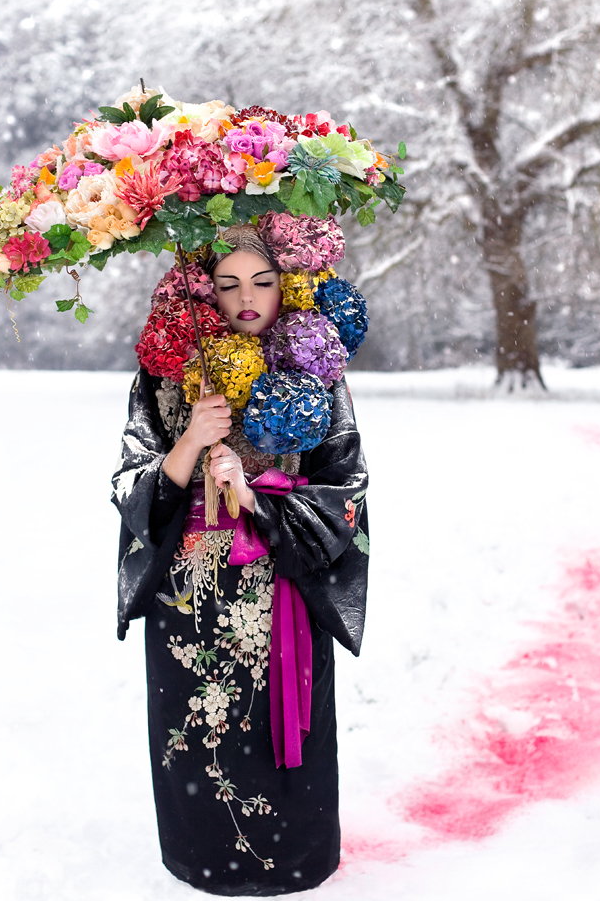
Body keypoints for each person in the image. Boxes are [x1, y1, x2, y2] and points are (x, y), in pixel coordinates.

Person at [112, 224, 369, 896]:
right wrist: (192, 439)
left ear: (287, 282)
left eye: (262, 281)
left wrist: (256, 499)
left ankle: (296, 859)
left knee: (283, 735)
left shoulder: (317, 369)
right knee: (197, 730)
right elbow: (128, 483)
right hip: (188, 591)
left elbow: (345, 487)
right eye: (228, 284)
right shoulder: (167, 372)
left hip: (281, 578)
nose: (246, 298)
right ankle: (199, 857)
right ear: (204, 291)